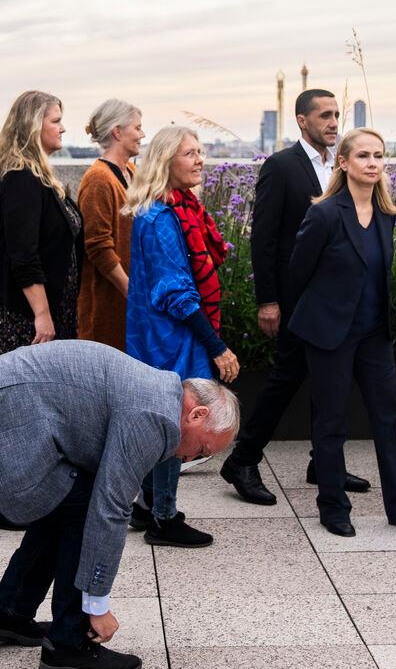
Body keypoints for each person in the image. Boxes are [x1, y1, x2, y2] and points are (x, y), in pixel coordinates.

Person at [0, 341, 239, 669]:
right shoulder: (156, 417)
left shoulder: (158, 392)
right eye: (202, 448)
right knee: (82, 506)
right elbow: (110, 507)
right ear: (196, 414)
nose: (192, 458)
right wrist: (98, 606)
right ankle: (69, 645)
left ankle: (8, 611)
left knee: (68, 497)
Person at [217, 88, 369, 505]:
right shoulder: (281, 166)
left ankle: (324, 464)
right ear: (302, 120)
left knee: (333, 379)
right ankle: (242, 459)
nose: (334, 122)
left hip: (337, 297)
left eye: (337, 114)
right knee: (286, 379)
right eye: (325, 115)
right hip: (296, 297)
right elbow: (263, 240)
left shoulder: (341, 165)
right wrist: (268, 300)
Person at [286, 129, 396, 537]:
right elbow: (297, 273)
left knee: (387, 418)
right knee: (332, 422)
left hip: (374, 333)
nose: (373, 163)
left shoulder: (387, 214)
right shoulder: (325, 214)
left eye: (379, 156)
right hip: (330, 334)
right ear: (343, 163)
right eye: (364, 156)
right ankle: (333, 506)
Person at [123, 126, 240, 548]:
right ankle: (163, 519)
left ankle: (145, 505)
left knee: (166, 422)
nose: (199, 160)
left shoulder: (177, 208)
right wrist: (216, 346)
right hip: (168, 339)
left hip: (160, 334)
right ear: (166, 161)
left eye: (200, 152)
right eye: (189, 153)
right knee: (178, 425)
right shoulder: (160, 218)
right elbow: (176, 292)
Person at [0, 89, 84, 528]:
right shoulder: (21, 177)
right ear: (33, 124)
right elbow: (23, 256)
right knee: (11, 407)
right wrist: (43, 315)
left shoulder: (41, 176)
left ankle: (24, 495)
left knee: (36, 407)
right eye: (56, 119)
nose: (62, 127)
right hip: (23, 316)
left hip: (48, 311)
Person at [75, 99, 144, 350]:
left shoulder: (133, 172)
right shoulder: (98, 179)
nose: (142, 134)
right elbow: (98, 247)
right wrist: (131, 292)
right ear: (117, 132)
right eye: (137, 128)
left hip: (129, 303)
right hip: (106, 305)